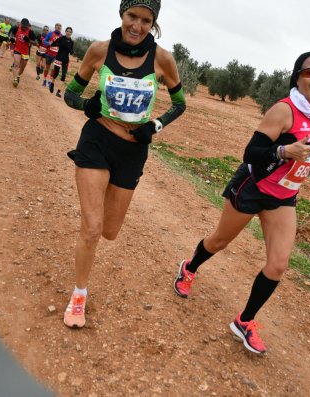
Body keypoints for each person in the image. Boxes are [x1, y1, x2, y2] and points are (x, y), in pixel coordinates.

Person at [173, 51, 310, 354]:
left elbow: (307, 151)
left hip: (284, 196)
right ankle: (189, 268)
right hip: (253, 187)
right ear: (297, 76)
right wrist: (284, 153)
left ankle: (244, 321)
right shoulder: (284, 111)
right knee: (219, 241)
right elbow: (252, 153)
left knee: (279, 264)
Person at [62, 0, 186, 328]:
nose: (138, 25)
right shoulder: (99, 51)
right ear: (122, 14)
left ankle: (98, 204)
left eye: (146, 20)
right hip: (97, 140)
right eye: (133, 16)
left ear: (153, 23)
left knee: (109, 231)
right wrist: (87, 105)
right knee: (91, 228)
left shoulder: (162, 59)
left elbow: (180, 104)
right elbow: (70, 95)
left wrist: (154, 126)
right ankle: (78, 295)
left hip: (133, 151)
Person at [9, 18, 37, 88]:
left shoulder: (30, 32)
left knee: (23, 67)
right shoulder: (16, 28)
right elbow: (11, 34)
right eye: (23, 26)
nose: (24, 28)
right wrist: (11, 38)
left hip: (25, 52)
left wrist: (29, 40)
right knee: (16, 64)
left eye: (25, 26)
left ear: (28, 26)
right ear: (21, 24)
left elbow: (36, 43)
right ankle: (15, 79)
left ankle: (18, 75)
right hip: (17, 49)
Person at [47, 26, 74, 97]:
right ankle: (52, 84)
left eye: (70, 32)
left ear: (71, 33)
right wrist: (60, 45)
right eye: (67, 31)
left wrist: (71, 50)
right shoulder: (61, 38)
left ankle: (58, 91)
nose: (69, 33)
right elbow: (53, 44)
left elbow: (71, 52)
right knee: (56, 73)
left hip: (65, 60)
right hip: (59, 58)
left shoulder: (71, 42)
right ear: (65, 32)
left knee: (64, 75)